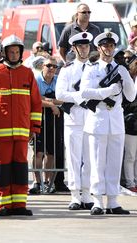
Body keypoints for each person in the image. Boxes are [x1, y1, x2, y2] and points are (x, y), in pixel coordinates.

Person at [0, 35, 42, 216]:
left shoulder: (27, 73)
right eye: (11, 52)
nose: (14, 55)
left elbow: (35, 104)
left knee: (20, 169)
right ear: (4, 53)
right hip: (0, 133)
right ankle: (3, 205)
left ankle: (19, 204)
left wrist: (34, 128)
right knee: (2, 168)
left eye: (16, 52)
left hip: (22, 133)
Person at [80, 31, 136, 215]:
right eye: (105, 45)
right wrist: (105, 91)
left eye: (111, 45)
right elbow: (84, 92)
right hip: (98, 119)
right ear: (99, 47)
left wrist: (126, 76)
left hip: (116, 121)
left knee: (114, 161)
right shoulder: (92, 68)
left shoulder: (120, 68)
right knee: (97, 162)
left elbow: (131, 95)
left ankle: (113, 201)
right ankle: (97, 201)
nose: (108, 49)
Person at [56, 32, 94, 210]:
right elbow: (60, 94)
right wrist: (80, 96)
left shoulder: (96, 68)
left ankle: (86, 193)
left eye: (86, 46)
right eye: (81, 46)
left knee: (90, 158)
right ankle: (74, 195)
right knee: (73, 158)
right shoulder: (67, 69)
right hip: (73, 118)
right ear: (74, 48)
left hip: (92, 118)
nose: (84, 49)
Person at [30, 57, 63, 194]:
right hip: (39, 118)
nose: (51, 69)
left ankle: (49, 183)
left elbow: (63, 98)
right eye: (49, 66)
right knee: (38, 152)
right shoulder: (36, 79)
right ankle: (37, 183)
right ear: (42, 66)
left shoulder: (58, 80)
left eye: (54, 67)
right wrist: (52, 105)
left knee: (51, 152)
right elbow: (35, 98)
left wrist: (47, 101)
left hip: (54, 120)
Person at [122, 51, 137, 193]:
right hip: (129, 121)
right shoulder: (124, 77)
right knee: (130, 155)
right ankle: (130, 182)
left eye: (130, 59)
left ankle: (135, 180)